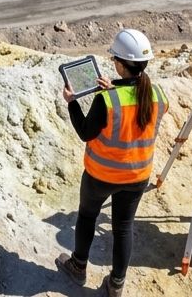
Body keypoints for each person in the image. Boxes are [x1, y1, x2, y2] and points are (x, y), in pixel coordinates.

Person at [56, 29, 168, 297]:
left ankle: (78, 266)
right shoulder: (157, 94)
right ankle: (116, 285)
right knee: (123, 227)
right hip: (138, 176)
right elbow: (136, 105)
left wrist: (72, 103)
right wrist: (116, 88)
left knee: (87, 217)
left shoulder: (106, 99)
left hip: (101, 175)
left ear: (120, 64)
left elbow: (85, 132)